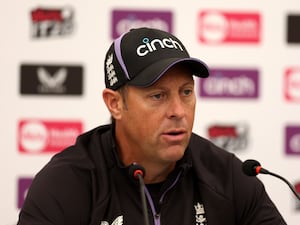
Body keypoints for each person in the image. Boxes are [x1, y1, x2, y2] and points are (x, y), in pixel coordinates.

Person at [17, 27, 286, 225]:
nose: (178, 112)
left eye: (186, 92)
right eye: (158, 96)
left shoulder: (226, 176)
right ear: (115, 104)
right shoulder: (67, 183)